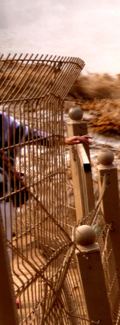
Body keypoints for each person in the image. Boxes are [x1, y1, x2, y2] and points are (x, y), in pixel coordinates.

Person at [0, 112, 91, 272]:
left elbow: (33, 135)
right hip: (4, 194)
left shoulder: (5, 121)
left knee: (4, 246)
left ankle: (6, 295)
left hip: (3, 195)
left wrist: (65, 140)